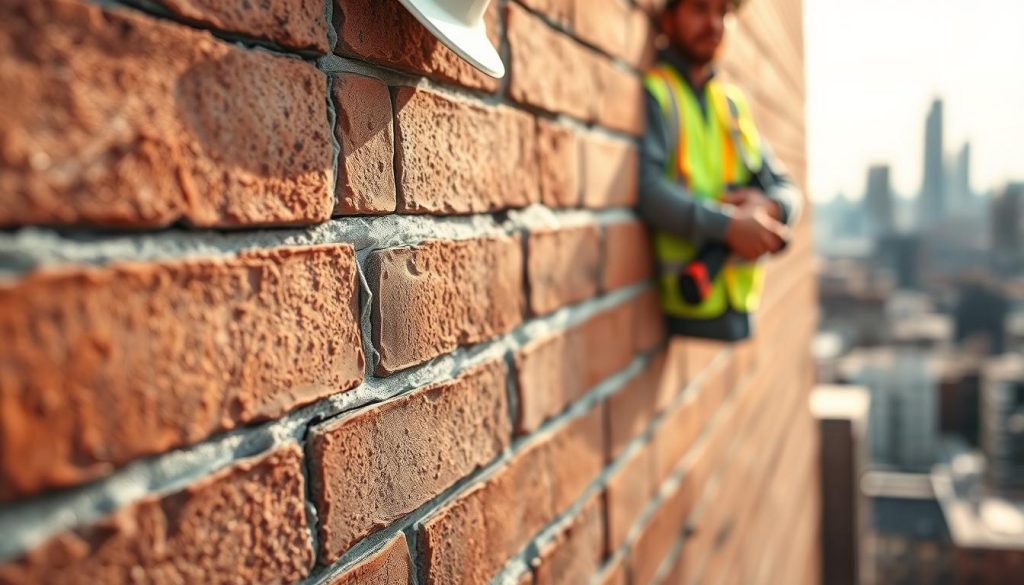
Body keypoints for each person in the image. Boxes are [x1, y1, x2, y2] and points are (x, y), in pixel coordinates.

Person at [639, 0, 803, 341]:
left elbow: (787, 188)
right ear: (667, 21)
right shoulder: (659, 92)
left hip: (735, 304)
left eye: (722, 13)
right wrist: (728, 227)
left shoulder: (730, 104)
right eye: (699, 9)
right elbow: (649, 190)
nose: (714, 24)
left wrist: (768, 208)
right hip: (685, 305)